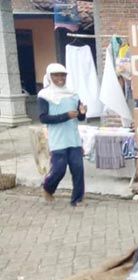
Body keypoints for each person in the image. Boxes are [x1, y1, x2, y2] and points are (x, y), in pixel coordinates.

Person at [38, 63, 87, 207]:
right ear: (49, 77)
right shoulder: (44, 95)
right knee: (59, 169)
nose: (60, 78)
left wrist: (82, 113)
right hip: (58, 139)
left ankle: (77, 199)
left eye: (63, 75)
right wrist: (66, 115)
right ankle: (48, 188)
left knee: (78, 169)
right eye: (56, 75)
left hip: (74, 138)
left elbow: (79, 117)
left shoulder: (73, 94)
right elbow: (43, 118)